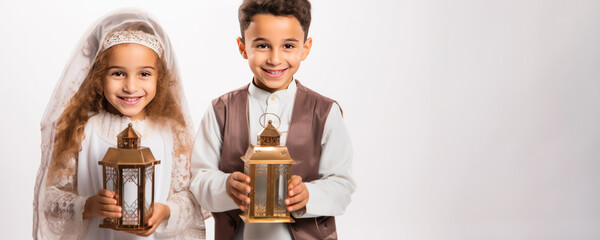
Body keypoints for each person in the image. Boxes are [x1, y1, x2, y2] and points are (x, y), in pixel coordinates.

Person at [32, 9, 205, 240]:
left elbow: (191, 197)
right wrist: (88, 206)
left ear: (159, 78)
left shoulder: (171, 132)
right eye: (117, 74)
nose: (131, 87)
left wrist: (166, 211)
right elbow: (49, 200)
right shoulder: (84, 130)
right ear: (98, 76)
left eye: (144, 73)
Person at [190, 0, 355, 239]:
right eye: (263, 45)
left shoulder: (325, 112)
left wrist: (308, 194)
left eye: (288, 45)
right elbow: (199, 179)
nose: (275, 59)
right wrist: (225, 186)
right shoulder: (220, 110)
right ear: (243, 46)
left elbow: (342, 185)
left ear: (305, 49)